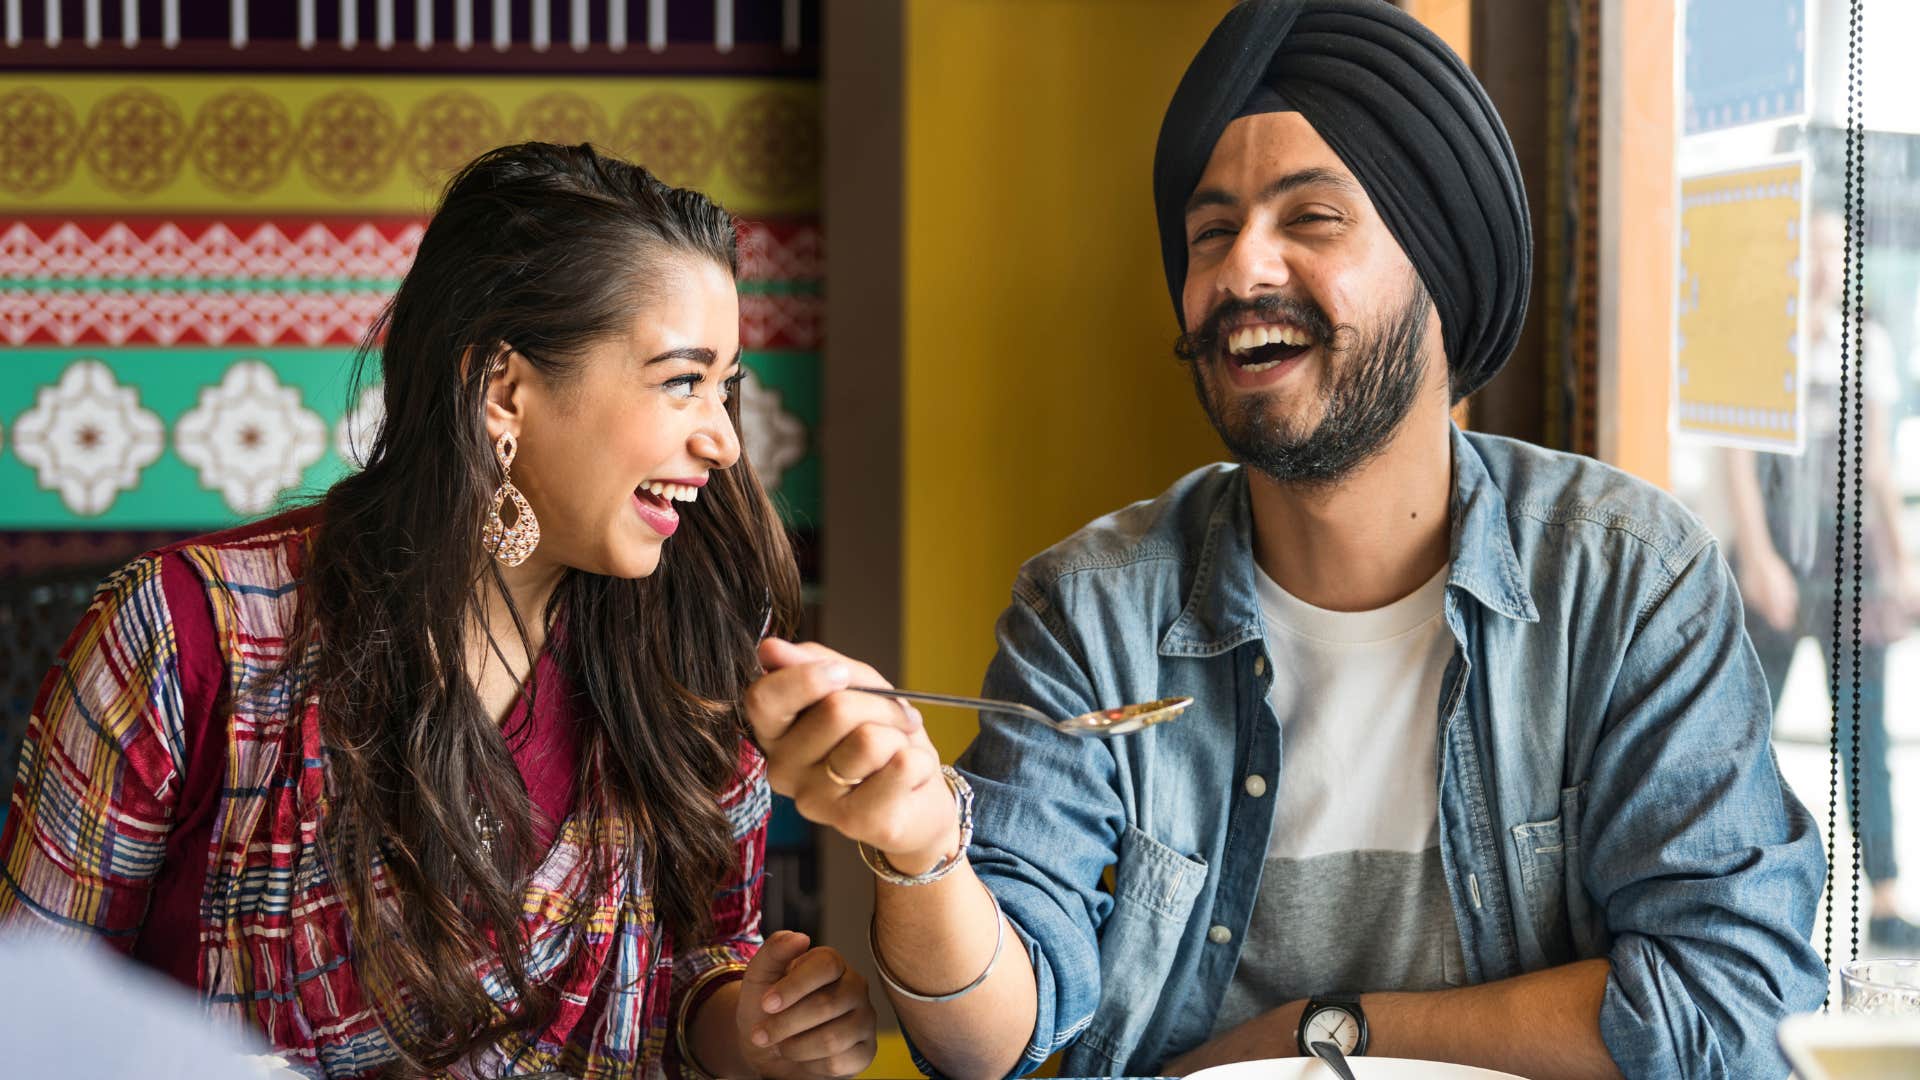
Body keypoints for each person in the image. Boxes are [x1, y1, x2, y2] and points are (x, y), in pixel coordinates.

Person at [743, 1, 1826, 1077]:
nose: (1238, 272)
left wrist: (1316, 1030)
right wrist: (923, 851)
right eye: (1210, 231)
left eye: (1311, 218)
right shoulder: (1093, 611)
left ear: (1442, 268)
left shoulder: (1628, 580)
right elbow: (999, 1043)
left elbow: (1731, 1007)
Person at [0, 143, 876, 1080]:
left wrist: (750, 1025)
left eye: (725, 385)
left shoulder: (691, 655)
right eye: (680, 381)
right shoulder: (186, 637)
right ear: (504, 390)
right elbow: (36, 1014)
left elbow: (699, 961)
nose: (725, 442)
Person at [1728, 206, 1920, 951]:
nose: (1822, 265)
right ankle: (1742, 884)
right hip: (1779, 542)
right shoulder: (1759, 341)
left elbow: (1875, 463)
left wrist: (1902, 560)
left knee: (1863, 722)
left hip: (1850, 550)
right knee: (1746, 721)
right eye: (1809, 250)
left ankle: (1886, 894)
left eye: (1834, 252)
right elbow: (1738, 458)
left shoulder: (1862, 343)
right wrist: (1758, 555)